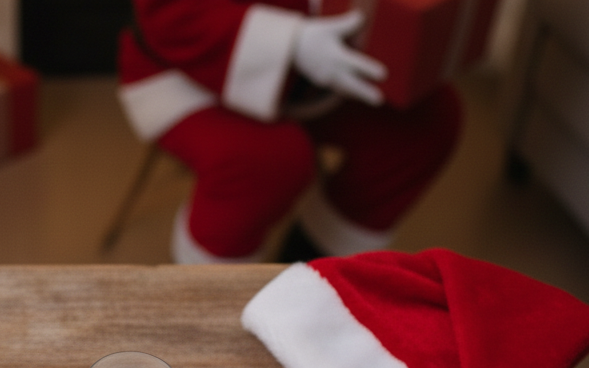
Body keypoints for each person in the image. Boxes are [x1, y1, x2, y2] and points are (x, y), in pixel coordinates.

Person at [118, 0, 463, 263]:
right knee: (265, 162)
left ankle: (316, 265)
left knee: (428, 123)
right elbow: (165, 14)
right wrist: (291, 44)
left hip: (326, 56)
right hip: (189, 66)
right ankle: (211, 296)